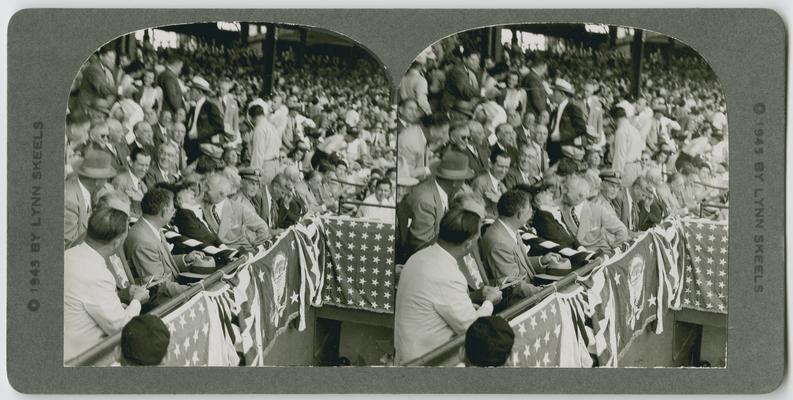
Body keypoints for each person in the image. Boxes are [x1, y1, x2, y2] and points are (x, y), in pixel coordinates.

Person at [394, 207, 503, 365]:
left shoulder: (419, 256)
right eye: (477, 238)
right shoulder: (447, 274)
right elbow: (473, 328)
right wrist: (489, 302)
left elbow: (436, 302)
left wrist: (468, 304)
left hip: (409, 352)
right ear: (468, 245)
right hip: (428, 362)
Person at [64, 208, 150, 362]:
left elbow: (87, 300)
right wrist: (137, 301)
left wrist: (119, 298)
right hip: (85, 357)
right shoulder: (98, 274)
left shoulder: (68, 254)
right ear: (117, 242)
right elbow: (121, 329)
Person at [124, 188, 206, 307]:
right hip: (162, 302)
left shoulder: (151, 227)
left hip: (170, 291)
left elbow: (161, 261)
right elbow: (158, 285)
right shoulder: (143, 240)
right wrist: (194, 290)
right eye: (172, 209)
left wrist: (185, 258)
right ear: (163, 212)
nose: (175, 211)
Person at [480, 190, 559, 305]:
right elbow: (513, 286)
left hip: (527, 291)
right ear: (519, 214)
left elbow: (519, 262)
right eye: (529, 209)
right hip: (519, 303)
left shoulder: (509, 228)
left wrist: (541, 260)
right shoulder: (498, 242)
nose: (532, 211)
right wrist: (546, 291)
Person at [396, 151, 474, 264]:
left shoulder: (446, 193)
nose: (464, 184)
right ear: (455, 182)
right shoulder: (425, 200)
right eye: (463, 180)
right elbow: (421, 246)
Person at [202, 173, 272, 251]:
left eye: (208, 188)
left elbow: (263, 228)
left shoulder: (238, 207)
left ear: (221, 193)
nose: (204, 190)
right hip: (220, 254)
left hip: (242, 253)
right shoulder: (203, 207)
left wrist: (256, 247)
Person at [560, 175, 629, 253]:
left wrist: (615, 250)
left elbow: (622, 230)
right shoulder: (561, 209)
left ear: (580, 196)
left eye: (567, 190)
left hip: (600, 255)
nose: (564, 193)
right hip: (577, 256)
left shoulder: (597, 209)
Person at [65, 149, 118, 249]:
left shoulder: (85, 190)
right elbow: (67, 246)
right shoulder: (70, 202)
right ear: (97, 181)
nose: (107, 182)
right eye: (106, 178)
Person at [184, 76, 226, 164]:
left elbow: (220, 126)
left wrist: (199, 134)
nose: (190, 92)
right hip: (191, 145)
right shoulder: (193, 108)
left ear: (199, 92)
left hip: (203, 147)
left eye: (192, 90)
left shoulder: (210, 106)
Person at [547, 78, 588, 165]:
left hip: (566, 149)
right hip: (553, 147)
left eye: (555, 92)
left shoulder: (573, 109)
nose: (553, 94)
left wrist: (561, 136)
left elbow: (581, 128)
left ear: (562, 94)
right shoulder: (555, 111)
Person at [530, 182, 579, 250]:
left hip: (574, 251)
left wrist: (579, 246)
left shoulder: (553, 213)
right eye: (546, 193)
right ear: (537, 199)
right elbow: (558, 242)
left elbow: (569, 232)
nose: (551, 195)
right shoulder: (542, 218)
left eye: (551, 193)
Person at [610, 102, 645, 188]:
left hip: (627, 169)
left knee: (622, 196)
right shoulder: (634, 130)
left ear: (613, 119)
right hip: (637, 167)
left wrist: (616, 174)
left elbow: (620, 155)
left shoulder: (621, 131)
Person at [112, 147, 151, 219]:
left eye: (147, 165)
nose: (144, 169)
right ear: (130, 162)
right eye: (141, 164)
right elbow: (118, 210)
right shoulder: (120, 180)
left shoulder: (143, 185)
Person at [471, 152, 510, 219]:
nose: (503, 171)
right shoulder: (480, 182)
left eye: (506, 167)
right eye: (500, 166)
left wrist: (501, 200)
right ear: (490, 164)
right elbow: (474, 211)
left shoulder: (502, 186)